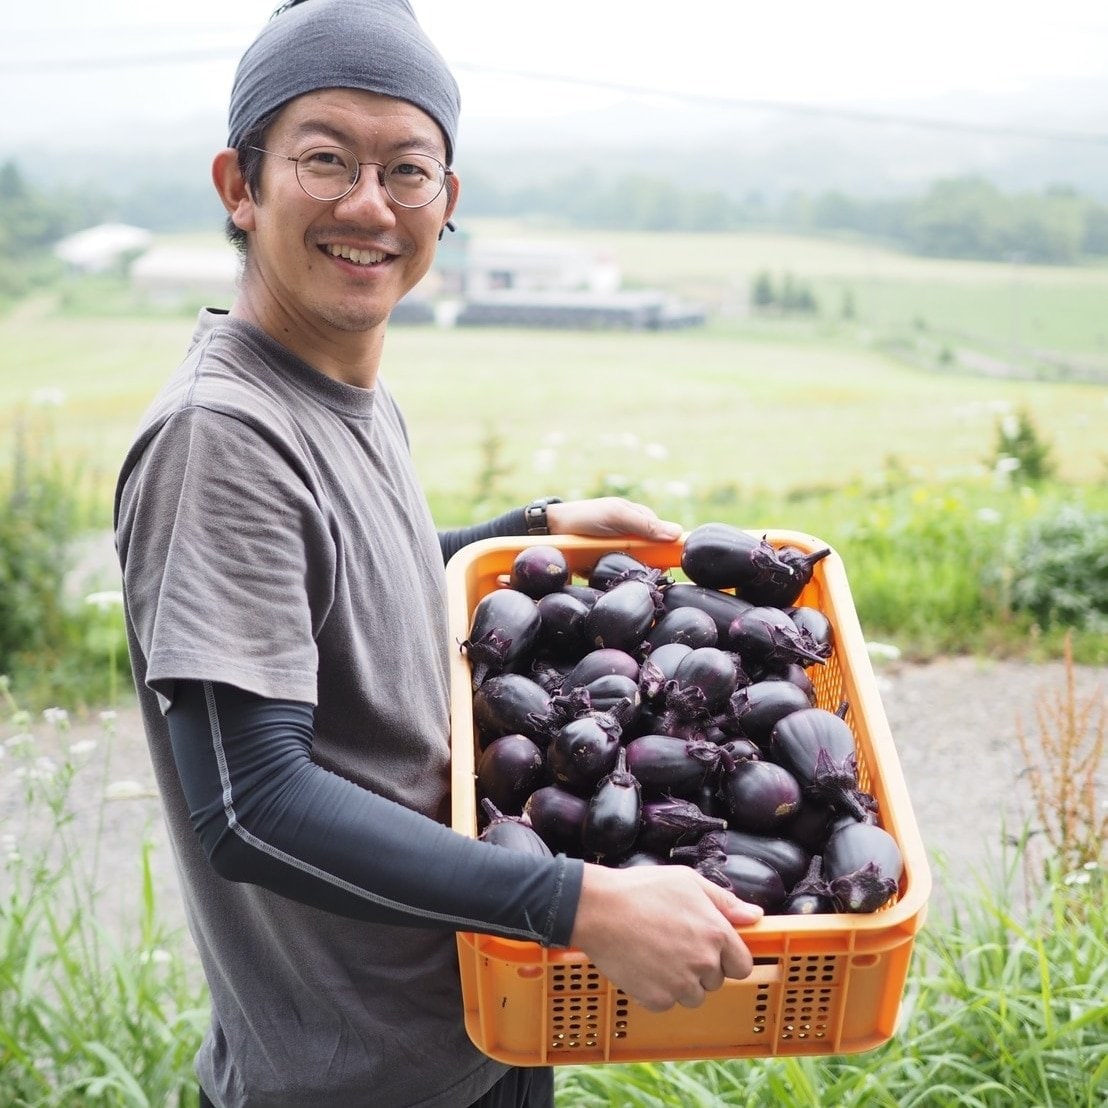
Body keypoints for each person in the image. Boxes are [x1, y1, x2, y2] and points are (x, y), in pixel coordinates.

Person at [113, 2, 764, 1105]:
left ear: (445, 202)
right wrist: (582, 904)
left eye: (406, 169)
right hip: (355, 1080)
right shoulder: (219, 433)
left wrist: (534, 527)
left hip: (477, 1021)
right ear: (240, 182)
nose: (368, 203)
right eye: (325, 159)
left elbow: (361, 583)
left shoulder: (344, 396)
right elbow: (249, 802)